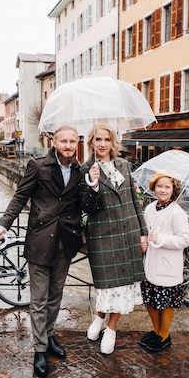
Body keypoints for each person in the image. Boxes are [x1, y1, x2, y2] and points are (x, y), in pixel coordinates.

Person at [0, 125, 84, 378]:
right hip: (41, 240)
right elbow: (20, 197)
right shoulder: (38, 165)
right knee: (39, 299)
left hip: (66, 240)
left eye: (72, 141)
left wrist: (94, 185)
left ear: (77, 143)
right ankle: (40, 349)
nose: (68, 145)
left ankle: (49, 336)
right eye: (64, 141)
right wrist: (2, 225)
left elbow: (83, 203)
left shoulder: (80, 170)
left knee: (55, 296)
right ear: (54, 142)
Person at [79, 123, 148, 355]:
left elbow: (134, 202)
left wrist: (143, 232)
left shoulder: (124, 166)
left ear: (112, 142)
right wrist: (93, 184)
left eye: (106, 140)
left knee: (125, 285)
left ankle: (111, 327)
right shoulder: (85, 169)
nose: (102, 144)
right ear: (91, 142)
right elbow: (86, 207)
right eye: (97, 139)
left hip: (128, 234)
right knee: (107, 286)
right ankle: (99, 316)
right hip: (103, 236)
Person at [139, 171, 189, 352]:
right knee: (150, 300)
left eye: (167, 187)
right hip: (150, 263)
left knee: (165, 302)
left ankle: (164, 335)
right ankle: (156, 330)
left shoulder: (177, 213)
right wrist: (144, 239)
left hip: (168, 265)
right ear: (154, 188)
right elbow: (144, 231)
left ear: (173, 189)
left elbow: (185, 240)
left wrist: (161, 238)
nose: (162, 190)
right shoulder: (149, 208)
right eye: (159, 186)